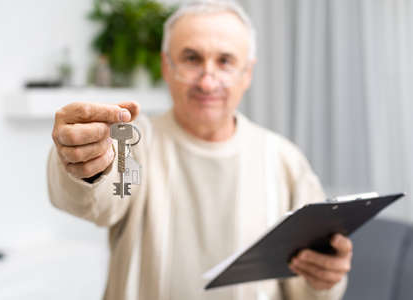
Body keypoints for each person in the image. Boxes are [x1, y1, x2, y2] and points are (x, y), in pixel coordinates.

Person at [47, 1, 352, 299]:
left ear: (247, 73)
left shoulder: (284, 160)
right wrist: (87, 159)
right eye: (192, 58)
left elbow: (307, 289)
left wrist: (324, 278)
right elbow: (96, 202)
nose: (207, 82)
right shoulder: (134, 144)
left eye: (225, 61)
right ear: (167, 67)